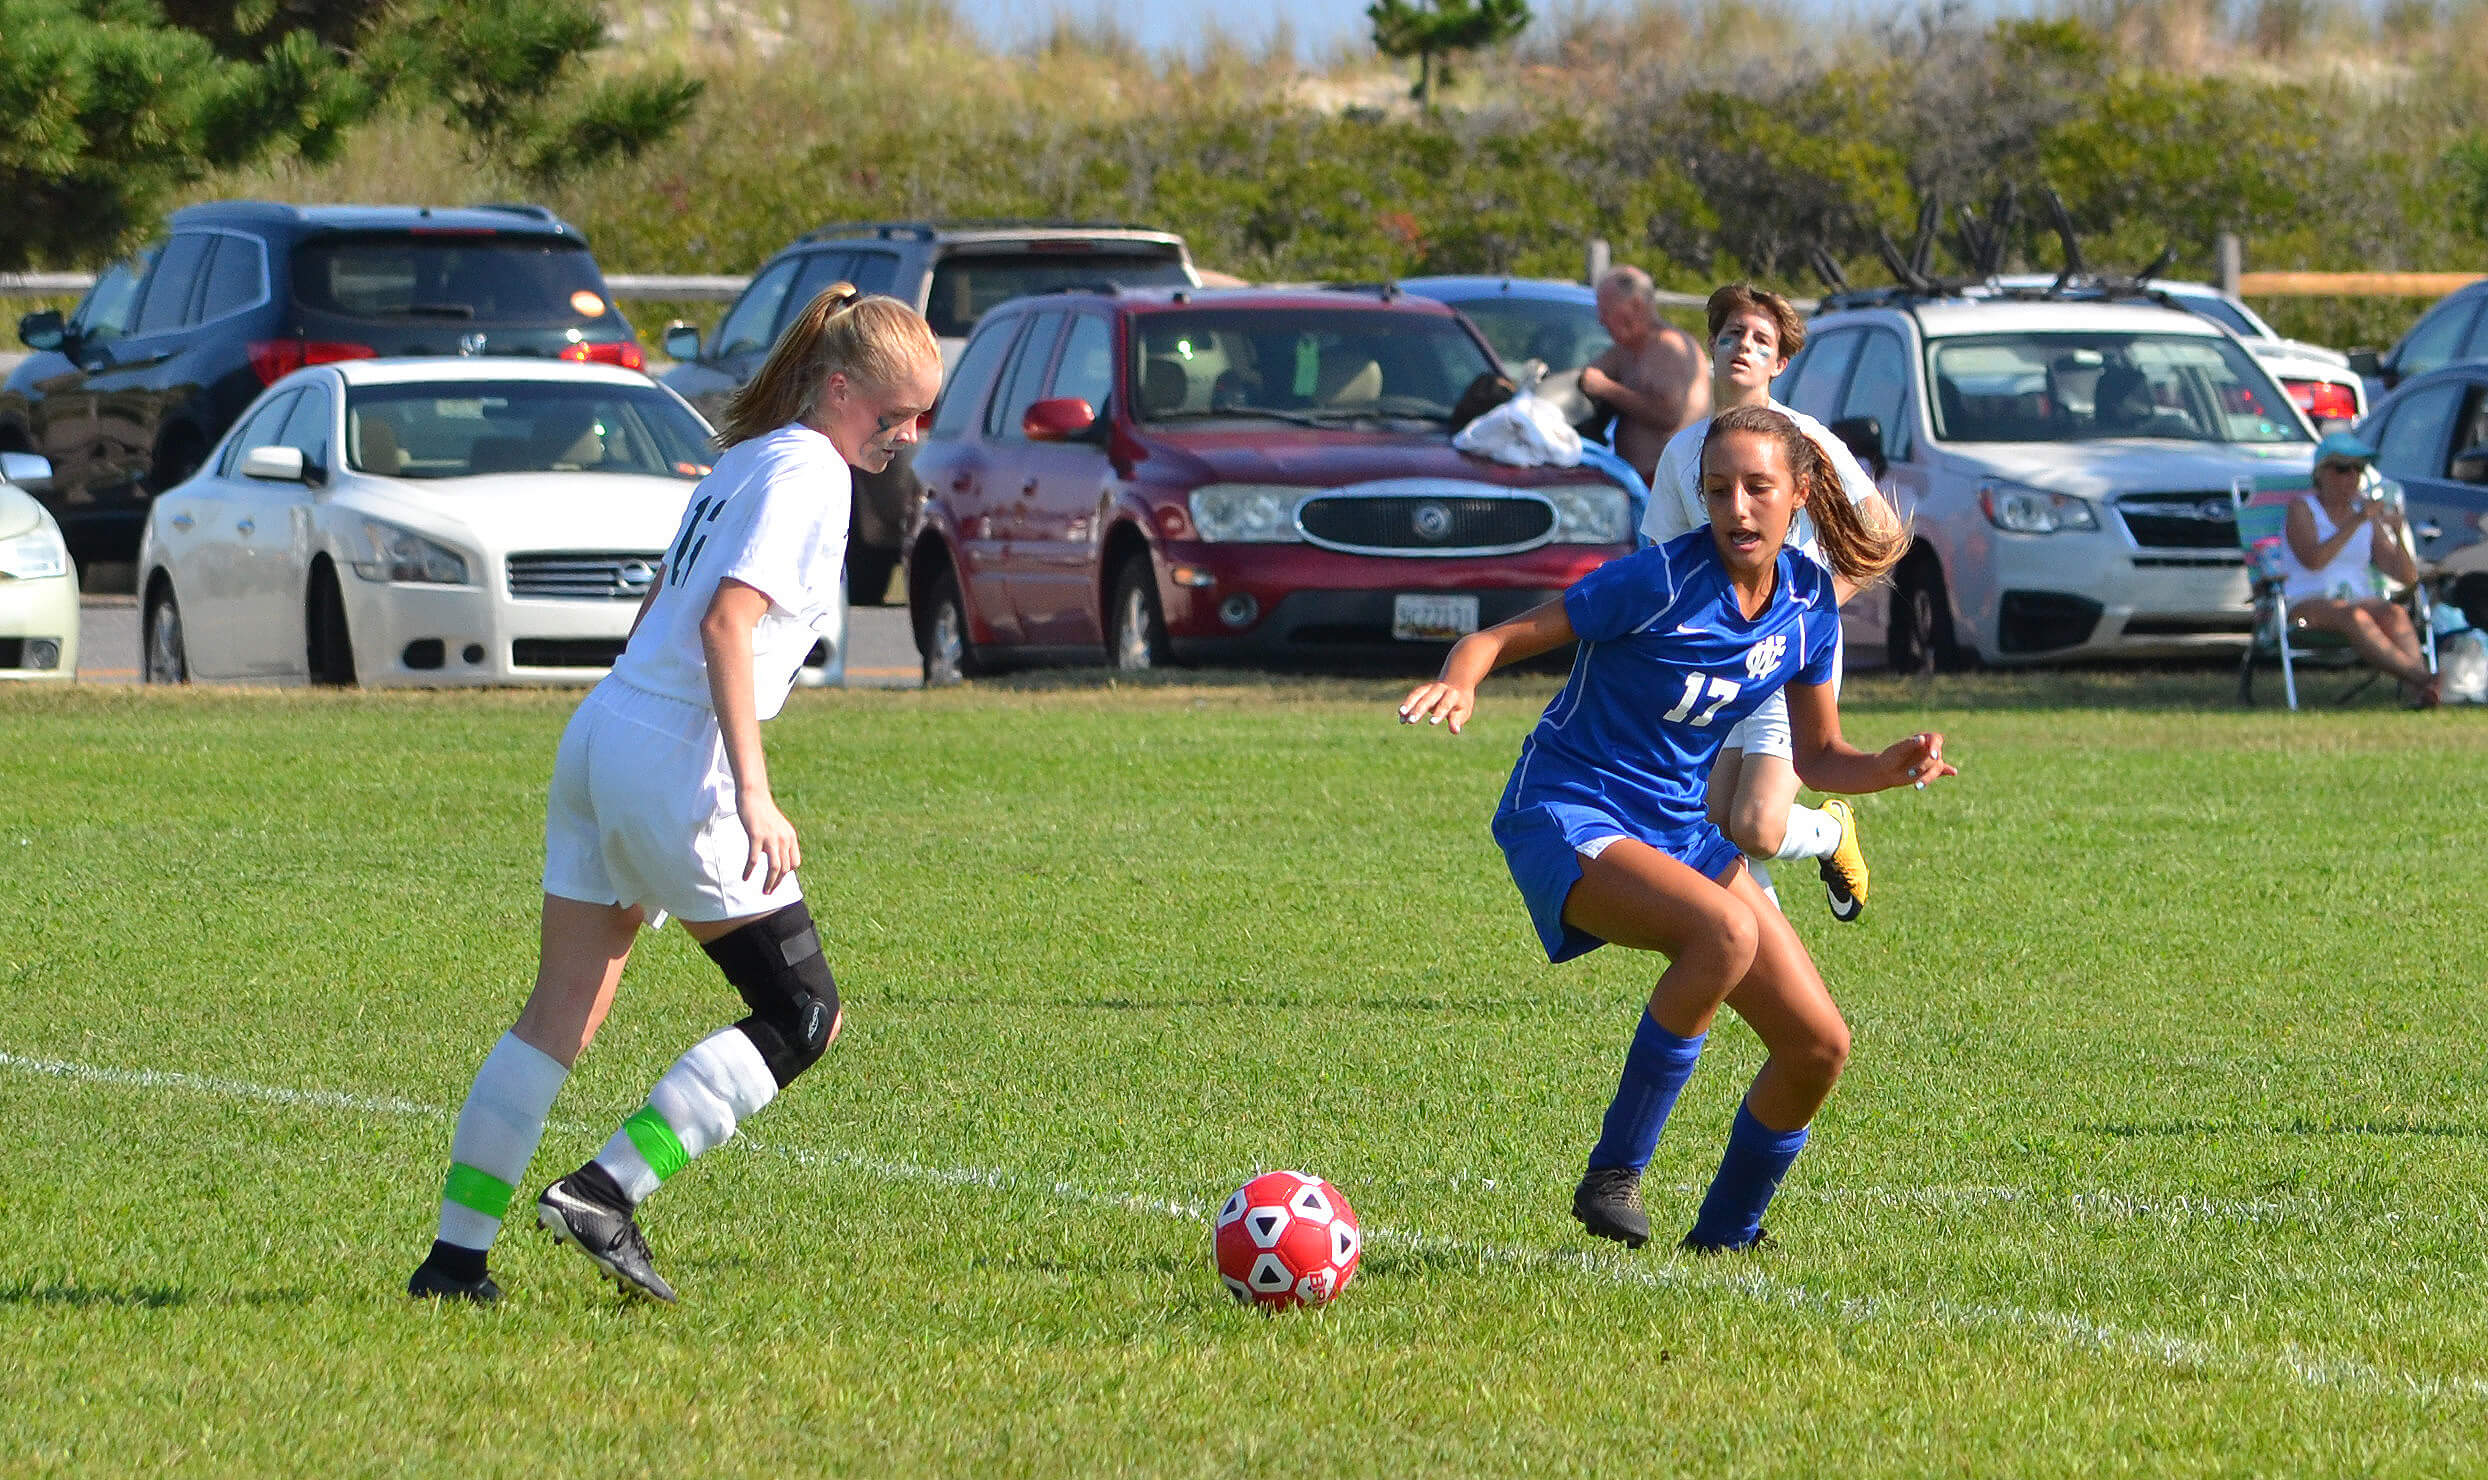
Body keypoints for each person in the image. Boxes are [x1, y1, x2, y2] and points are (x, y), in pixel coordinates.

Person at [407, 285, 944, 1304]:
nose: (905, 437)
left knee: (561, 1008)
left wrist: (638, 734)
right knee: (803, 1012)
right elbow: (724, 623)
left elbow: (665, 599)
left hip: (608, 727)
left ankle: (453, 1261)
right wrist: (754, 790)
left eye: (919, 417)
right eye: (890, 417)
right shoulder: (813, 475)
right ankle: (606, 1190)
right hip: (677, 753)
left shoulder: (749, 457)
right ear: (838, 390)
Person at [1398, 404, 1948, 1253]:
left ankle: (1726, 1237)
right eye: (1719, 488)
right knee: (1724, 932)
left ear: (1798, 495)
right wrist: (1460, 680)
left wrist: (1888, 766)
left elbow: (1823, 755)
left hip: (1676, 832)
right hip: (1568, 810)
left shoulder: (1806, 604)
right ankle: (1614, 1174)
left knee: (1817, 1046)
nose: (1737, 508)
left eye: (1758, 488)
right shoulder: (1655, 581)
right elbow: (1503, 635)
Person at [1643, 285, 1900, 921]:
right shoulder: (1683, 451)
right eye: (1731, 334)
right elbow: (1663, 567)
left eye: (1761, 340)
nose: (1743, 348)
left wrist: (1819, 608)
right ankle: (1766, 966)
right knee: (1717, 828)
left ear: (1779, 364)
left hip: (1788, 659)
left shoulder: (1804, 439)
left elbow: (1886, 532)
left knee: (1756, 825)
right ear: (1711, 346)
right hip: (1722, 660)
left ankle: (1833, 832)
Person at [2283, 429, 2437, 705]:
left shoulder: (2365, 515)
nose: (2352, 477)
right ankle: (2425, 679)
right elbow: (2314, 560)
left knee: (2395, 613)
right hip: (2306, 604)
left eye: (2358, 469)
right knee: (2354, 616)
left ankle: (2422, 693)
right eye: (2342, 468)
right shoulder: (2302, 509)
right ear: (2321, 473)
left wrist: (2400, 533)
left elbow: (2405, 576)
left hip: (2356, 602)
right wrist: (2355, 521)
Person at [1579, 266, 1709, 484]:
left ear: (1636, 306)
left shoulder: (1669, 347)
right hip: (1635, 477)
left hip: (1666, 481)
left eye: (1607, 311)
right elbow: (1586, 375)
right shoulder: (1627, 350)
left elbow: (1668, 413)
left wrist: (1606, 389)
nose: (1601, 321)